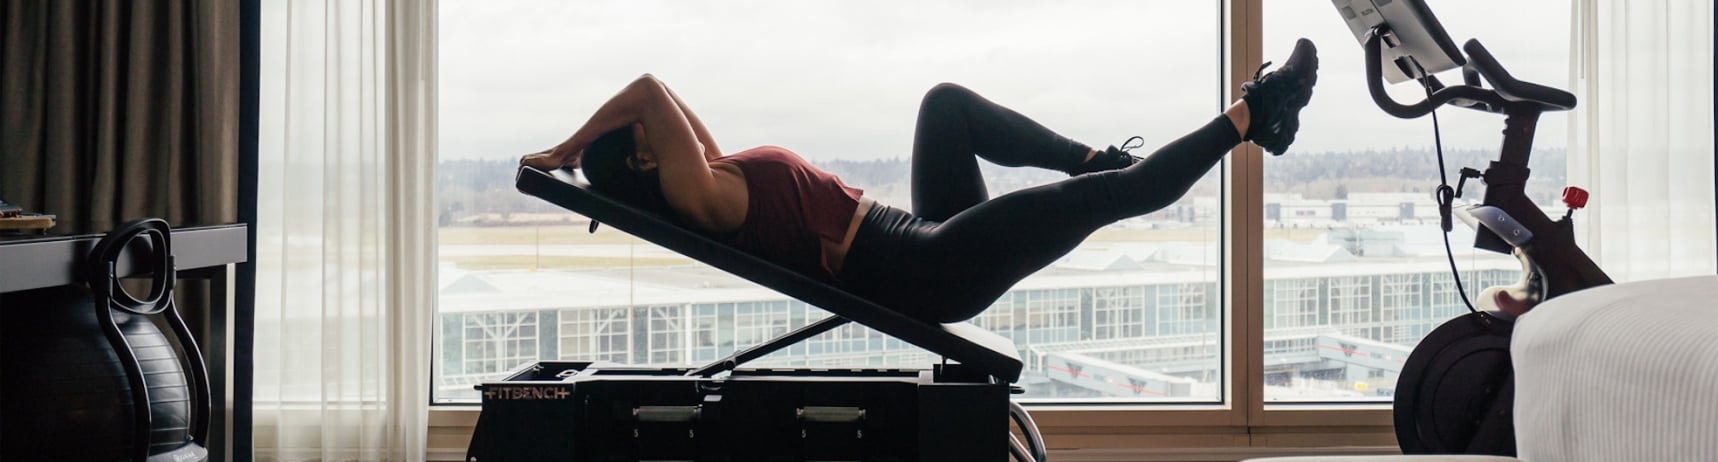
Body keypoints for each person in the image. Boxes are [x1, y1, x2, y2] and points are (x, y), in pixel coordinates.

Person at [521, 39, 1318, 324]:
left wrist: (603, 148)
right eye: (645, 136)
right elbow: (648, 90)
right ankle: (1259, 114)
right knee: (1114, 199)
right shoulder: (700, 198)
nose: (658, 125)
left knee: (945, 106)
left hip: (920, 238)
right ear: (646, 161)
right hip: (926, 270)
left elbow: (664, 102)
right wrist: (568, 150)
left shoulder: (711, 175)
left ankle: (1090, 158)